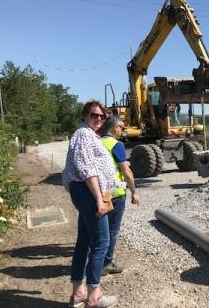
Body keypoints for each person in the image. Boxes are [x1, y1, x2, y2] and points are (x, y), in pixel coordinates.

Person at [62, 100, 118, 308]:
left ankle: (78, 292)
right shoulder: (84, 134)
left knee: (84, 240)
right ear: (85, 115)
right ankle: (94, 295)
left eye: (102, 117)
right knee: (101, 242)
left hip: (86, 192)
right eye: (94, 115)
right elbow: (87, 169)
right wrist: (98, 199)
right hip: (88, 192)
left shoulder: (88, 134)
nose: (99, 119)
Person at [99, 116, 140, 275]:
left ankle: (98, 261)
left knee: (101, 230)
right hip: (115, 194)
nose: (123, 131)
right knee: (112, 230)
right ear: (114, 127)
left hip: (100, 193)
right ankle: (107, 263)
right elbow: (126, 171)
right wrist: (134, 192)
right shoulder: (117, 145)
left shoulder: (97, 142)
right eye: (121, 127)